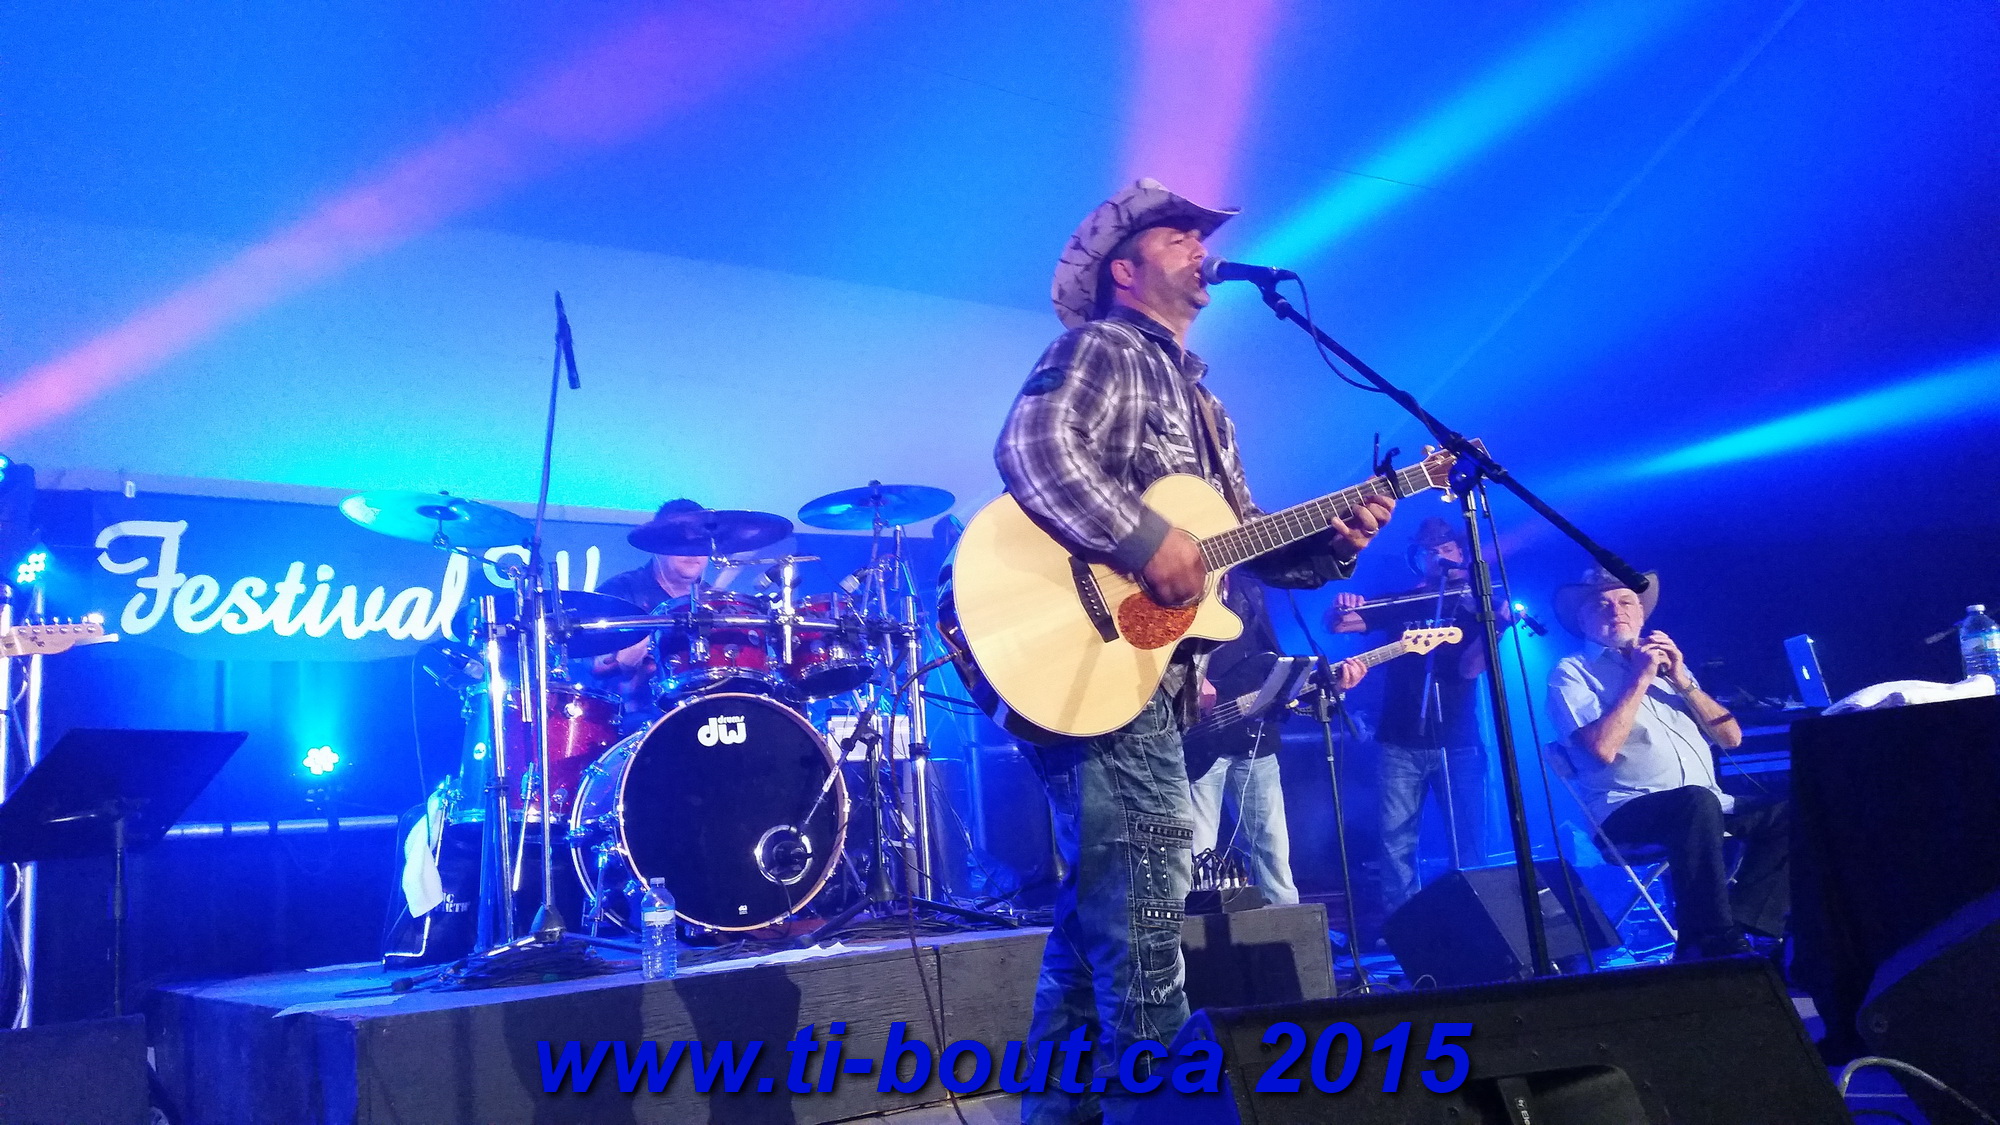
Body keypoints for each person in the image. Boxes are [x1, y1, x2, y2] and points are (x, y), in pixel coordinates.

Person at [996, 178, 1395, 1125]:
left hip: (1153, 677)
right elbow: (1034, 447)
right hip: (1092, 660)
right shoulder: (1102, 349)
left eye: (1198, 235)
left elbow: (1238, 543)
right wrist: (1142, 539)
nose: (1200, 247)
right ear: (1124, 270)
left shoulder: (1205, 404)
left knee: (1101, 921)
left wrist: (1334, 542)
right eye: (1177, 235)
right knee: (1145, 912)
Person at [1545, 567, 1789, 960]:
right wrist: (1638, 678)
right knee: (1695, 803)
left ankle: (1746, 925)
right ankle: (1706, 938)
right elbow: (1601, 749)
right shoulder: (1571, 672)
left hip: (1704, 805)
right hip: (1625, 811)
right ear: (1582, 620)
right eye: (1601, 605)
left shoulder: (1668, 668)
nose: (1616, 610)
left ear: (1641, 614)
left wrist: (1681, 679)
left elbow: (1731, 738)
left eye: (1626, 602)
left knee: (1789, 812)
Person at [1326, 516, 1497, 918]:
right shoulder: (1400, 601)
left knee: (1470, 842)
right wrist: (1340, 607)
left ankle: (1480, 923)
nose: (1439, 556)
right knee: (1396, 845)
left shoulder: (1474, 604)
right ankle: (1405, 929)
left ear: (1461, 554)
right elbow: (1339, 626)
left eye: (1447, 549)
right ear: (1417, 559)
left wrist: (1498, 625)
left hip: (1459, 741)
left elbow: (1470, 668)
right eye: (1430, 551)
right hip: (1399, 740)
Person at [1186, 573, 1366, 906]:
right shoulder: (1183, 586)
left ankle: (1288, 928)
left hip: (1256, 739)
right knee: (1199, 853)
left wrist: (1332, 686)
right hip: (1200, 737)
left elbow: (1274, 668)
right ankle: (1197, 930)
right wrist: (1191, 677)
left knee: (1272, 850)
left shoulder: (1249, 587)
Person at [587, 498, 712, 719]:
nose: (692, 550)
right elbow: (590, 664)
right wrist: (620, 661)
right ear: (657, 545)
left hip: (708, 715)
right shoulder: (619, 592)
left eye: (700, 541)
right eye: (680, 539)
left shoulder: (716, 604)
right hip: (632, 724)